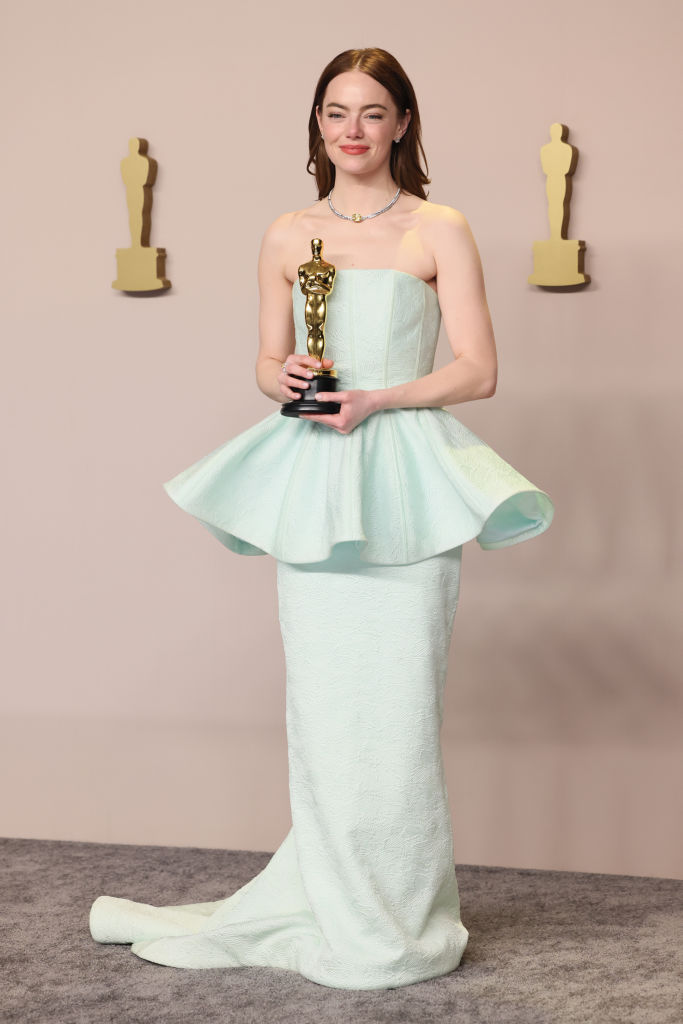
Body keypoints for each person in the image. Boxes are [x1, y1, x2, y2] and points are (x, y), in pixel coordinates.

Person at [89, 47, 554, 990]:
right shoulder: (285, 235)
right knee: (325, 711)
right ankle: (334, 898)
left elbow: (478, 370)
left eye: (373, 112)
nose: (353, 129)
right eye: (336, 112)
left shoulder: (439, 227)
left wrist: (377, 397)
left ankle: (398, 914)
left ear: (402, 124)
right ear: (316, 123)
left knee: (399, 710)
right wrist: (288, 376)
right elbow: (268, 364)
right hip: (315, 484)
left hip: (404, 482)